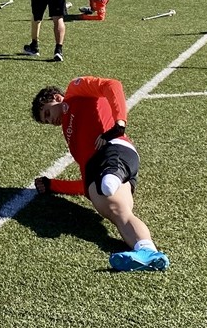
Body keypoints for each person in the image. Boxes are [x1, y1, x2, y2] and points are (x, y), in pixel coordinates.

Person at [31, 76, 169, 272]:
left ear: (56, 97)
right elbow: (84, 184)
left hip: (113, 150)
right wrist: (52, 185)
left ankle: (113, 172)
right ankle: (147, 252)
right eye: (46, 121)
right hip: (97, 172)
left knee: (107, 183)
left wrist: (119, 123)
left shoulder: (74, 91)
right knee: (117, 212)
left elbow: (112, 85)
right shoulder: (70, 137)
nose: (50, 120)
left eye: (47, 112)